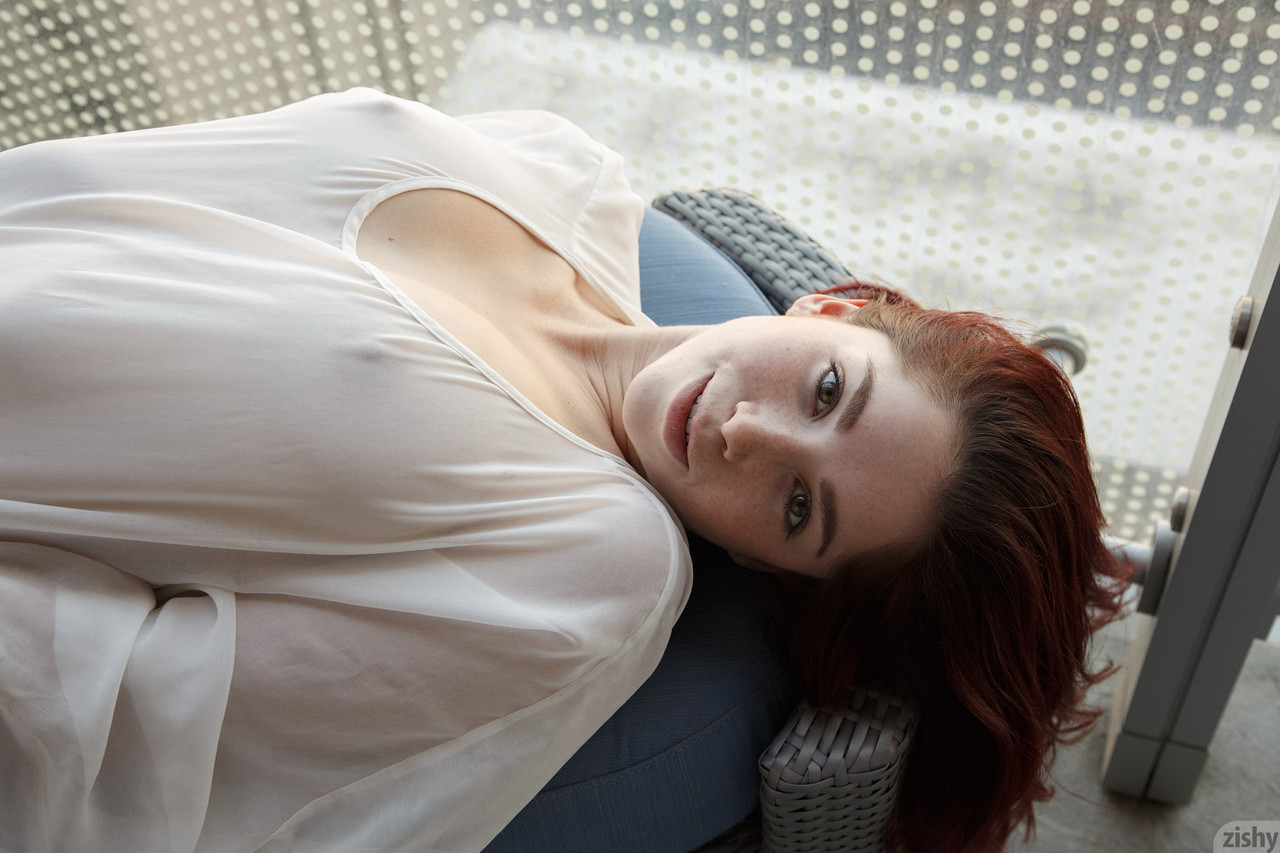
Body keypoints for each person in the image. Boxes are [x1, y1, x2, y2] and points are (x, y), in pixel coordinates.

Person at [0, 88, 1125, 853]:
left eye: (797, 508)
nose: (748, 433)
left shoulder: (589, 567)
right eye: (827, 389)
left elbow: (124, 745)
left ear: (763, 564)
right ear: (834, 309)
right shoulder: (563, 170)